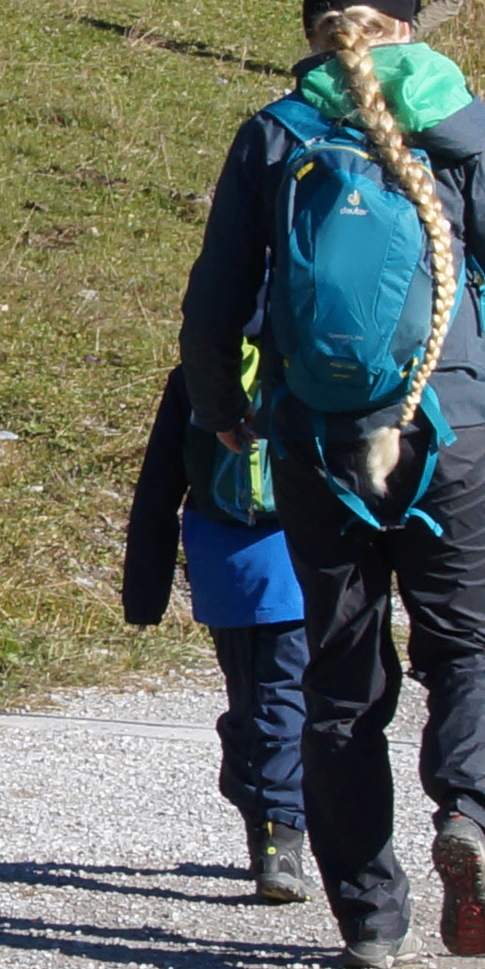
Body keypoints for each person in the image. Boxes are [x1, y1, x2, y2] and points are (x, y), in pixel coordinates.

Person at [176, 0, 485, 965]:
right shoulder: (455, 122)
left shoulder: (275, 134)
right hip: (452, 436)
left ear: (312, 28)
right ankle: (468, 817)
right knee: (465, 647)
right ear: (407, 24)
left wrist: (223, 409)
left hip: (317, 443)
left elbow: (213, 305)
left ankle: (371, 919)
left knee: (340, 682)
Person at [124, 348, 313, 903]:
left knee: (254, 692)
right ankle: (278, 830)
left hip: (220, 550)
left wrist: (145, 593)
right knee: (282, 691)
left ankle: (270, 823)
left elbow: (159, 484)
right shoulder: (317, 361)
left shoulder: (199, 373)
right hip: (296, 545)